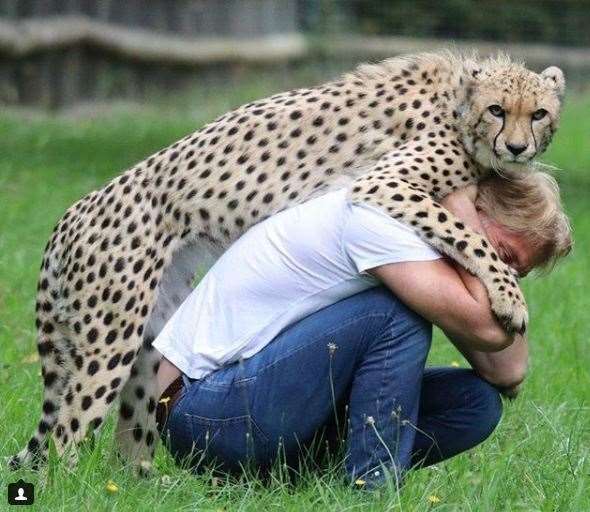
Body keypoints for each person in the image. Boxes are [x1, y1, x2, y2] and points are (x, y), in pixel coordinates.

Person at [153, 171, 571, 488]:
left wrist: (481, 255)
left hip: (264, 408)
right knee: (394, 313)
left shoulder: (438, 251)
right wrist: (466, 227)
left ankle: (301, 484)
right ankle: (371, 490)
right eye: (502, 256)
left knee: (475, 403)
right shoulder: (382, 217)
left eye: (515, 274)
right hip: (202, 410)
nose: (502, 278)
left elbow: (507, 371)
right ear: (474, 211)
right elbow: (488, 329)